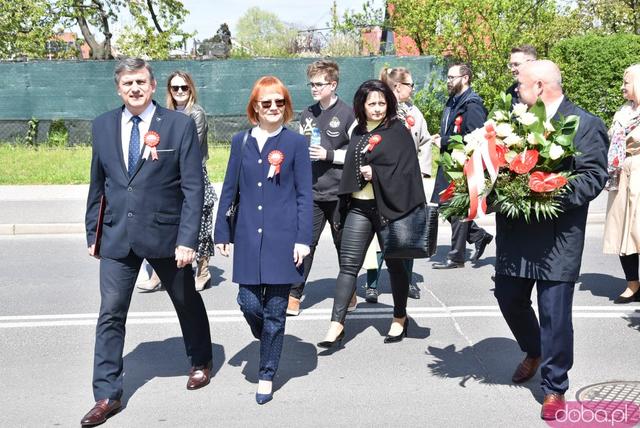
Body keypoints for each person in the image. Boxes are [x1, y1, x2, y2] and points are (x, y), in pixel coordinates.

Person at [82, 58, 213, 427]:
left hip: (168, 236)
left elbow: (193, 187)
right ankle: (107, 394)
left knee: (186, 301)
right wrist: (93, 231)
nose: (135, 88)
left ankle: (201, 359)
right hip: (116, 236)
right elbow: (99, 184)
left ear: (153, 86)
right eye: (128, 83)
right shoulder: (103, 125)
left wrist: (188, 238)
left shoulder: (178, 125)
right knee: (110, 313)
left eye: (141, 81)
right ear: (118, 88)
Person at [494, 60, 608, 420]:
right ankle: (533, 348)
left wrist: (547, 192)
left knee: (555, 315)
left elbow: (593, 177)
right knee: (508, 298)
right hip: (516, 233)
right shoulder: (513, 122)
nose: (517, 91)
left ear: (541, 86)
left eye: (522, 84)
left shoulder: (585, 124)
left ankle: (555, 386)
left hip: (557, 237)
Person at [214, 76, 312, 404]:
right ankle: (269, 335)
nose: (273, 108)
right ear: (255, 106)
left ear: (286, 106)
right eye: (266, 102)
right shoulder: (241, 141)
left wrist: (303, 239)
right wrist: (222, 231)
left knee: (276, 310)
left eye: (279, 102)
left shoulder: (296, 143)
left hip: (285, 239)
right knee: (248, 303)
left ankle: (267, 372)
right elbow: (230, 188)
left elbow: (303, 196)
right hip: (247, 234)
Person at [317, 79, 425, 349]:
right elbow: (352, 163)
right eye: (371, 103)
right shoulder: (358, 132)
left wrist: (376, 174)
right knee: (348, 266)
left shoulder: (398, 131)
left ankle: (399, 317)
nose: (377, 108)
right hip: (360, 207)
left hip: (391, 209)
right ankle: (336, 323)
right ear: (361, 106)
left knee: (397, 266)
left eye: (381, 103)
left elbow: (407, 172)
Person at [287, 59, 357, 316]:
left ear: (333, 84)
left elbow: (357, 153)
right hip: (311, 191)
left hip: (339, 192)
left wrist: (329, 155)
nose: (314, 88)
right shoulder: (307, 114)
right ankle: (294, 294)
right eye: (311, 84)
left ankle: (349, 292)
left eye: (319, 84)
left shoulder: (348, 113)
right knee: (305, 243)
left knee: (344, 245)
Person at [136, 70, 216, 292]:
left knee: (200, 224)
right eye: (175, 88)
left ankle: (203, 271)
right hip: (168, 176)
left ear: (191, 89)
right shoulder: (163, 114)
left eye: (184, 88)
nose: (180, 92)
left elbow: (189, 149)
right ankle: (159, 274)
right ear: (169, 91)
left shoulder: (196, 113)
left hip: (192, 174)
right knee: (168, 225)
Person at [363, 66, 433, 302]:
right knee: (378, 237)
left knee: (407, 232)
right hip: (380, 181)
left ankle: (407, 280)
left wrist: (421, 172)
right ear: (397, 87)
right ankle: (371, 283)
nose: (413, 89)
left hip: (407, 183)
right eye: (411, 85)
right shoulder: (377, 111)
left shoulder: (414, 113)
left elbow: (424, 142)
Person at [432, 63, 493, 269]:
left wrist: (445, 141)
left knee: (456, 207)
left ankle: (456, 257)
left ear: (465, 78)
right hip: (449, 161)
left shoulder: (472, 104)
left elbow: (474, 136)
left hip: (462, 163)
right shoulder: (454, 100)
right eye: (448, 77)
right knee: (445, 204)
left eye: (452, 77)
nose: (448, 81)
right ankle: (478, 235)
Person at [603, 64, 640, 303]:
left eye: (626, 82)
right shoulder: (624, 111)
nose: (622, 87)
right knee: (621, 230)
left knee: (637, 231)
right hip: (621, 174)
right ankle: (633, 284)